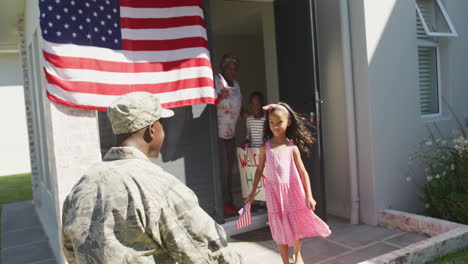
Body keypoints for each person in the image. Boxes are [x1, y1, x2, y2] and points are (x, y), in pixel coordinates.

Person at [61, 92, 244, 264]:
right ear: (151, 130)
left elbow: (71, 252)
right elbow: (211, 255)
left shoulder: (82, 185)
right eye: (161, 124)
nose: (163, 131)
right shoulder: (160, 186)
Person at [244, 102, 331, 264]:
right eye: (272, 123)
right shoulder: (266, 147)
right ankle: (286, 262)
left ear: (288, 122)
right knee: (278, 227)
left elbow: (303, 172)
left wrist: (310, 196)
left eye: (279, 122)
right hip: (274, 194)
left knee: (296, 224)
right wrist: (252, 192)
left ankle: (297, 254)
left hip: (293, 191)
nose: (275, 126)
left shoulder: (292, 148)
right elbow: (259, 170)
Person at [215, 54, 248, 216]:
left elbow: (237, 105)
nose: (232, 71)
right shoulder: (216, 82)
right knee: (223, 170)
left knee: (229, 170)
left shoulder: (236, 85)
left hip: (231, 133)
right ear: (222, 68)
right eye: (229, 68)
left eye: (234, 69)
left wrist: (245, 113)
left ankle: (229, 202)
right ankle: (222, 204)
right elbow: (208, 104)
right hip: (218, 134)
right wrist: (218, 97)